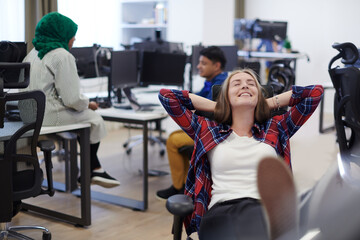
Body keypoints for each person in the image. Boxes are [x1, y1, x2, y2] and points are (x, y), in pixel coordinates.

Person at [158, 69, 323, 239]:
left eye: (251, 84)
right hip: (221, 212)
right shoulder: (207, 129)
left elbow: (314, 93)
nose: (245, 85)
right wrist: (220, 106)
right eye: (236, 84)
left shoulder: (276, 127)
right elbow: (167, 97)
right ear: (225, 96)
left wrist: (266, 103)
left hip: (262, 209)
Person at [20, 12, 120, 188]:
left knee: (85, 115)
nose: (74, 40)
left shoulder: (32, 54)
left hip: (28, 116)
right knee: (93, 118)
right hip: (48, 117)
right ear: (62, 34)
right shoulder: (61, 55)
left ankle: (93, 169)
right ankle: (90, 171)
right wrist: (87, 104)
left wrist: (82, 104)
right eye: (72, 35)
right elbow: (72, 99)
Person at [156, 46, 228, 200]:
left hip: (215, 132)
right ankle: (183, 184)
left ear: (216, 66)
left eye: (203, 63)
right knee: (175, 136)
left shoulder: (219, 85)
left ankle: (178, 187)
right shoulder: (212, 81)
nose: (198, 66)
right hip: (209, 128)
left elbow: (204, 108)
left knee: (173, 141)